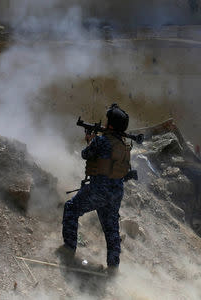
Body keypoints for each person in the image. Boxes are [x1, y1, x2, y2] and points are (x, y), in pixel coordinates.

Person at [59, 104, 132, 275]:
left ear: (111, 124)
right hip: (116, 192)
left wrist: (90, 140)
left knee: (71, 209)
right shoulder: (123, 146)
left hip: (99, 189)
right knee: (112, 229)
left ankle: (69, 251)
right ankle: (113, 267)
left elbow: (86, 154)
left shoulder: (102, 141)